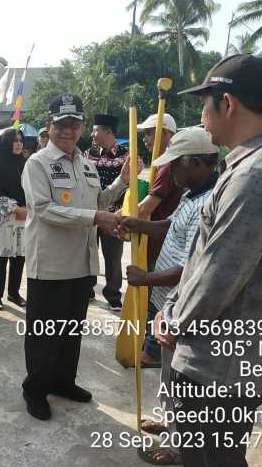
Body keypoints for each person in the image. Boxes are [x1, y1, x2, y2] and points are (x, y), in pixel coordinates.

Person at [154, 54, 262, 467]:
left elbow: (220, 274)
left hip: (220, 369)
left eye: (205, 104)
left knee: (213, 463)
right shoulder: (256, 166)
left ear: (229, 103)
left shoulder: (257, 174)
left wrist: (173, 318)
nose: (203, 116)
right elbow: (208, 258)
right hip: (227, 361)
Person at [20, 92, 136, 420]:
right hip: (51, 265)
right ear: (50, 126)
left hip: (82, 264)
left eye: (74, 124)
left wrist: (121, 186)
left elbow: (97, 205)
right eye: (61, 124)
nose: (68, 130)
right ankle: (35, 389)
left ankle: (62, 382)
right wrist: (96, 218)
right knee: (45, 334)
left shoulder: (86, 165)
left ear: (82, 126)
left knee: (71, 331)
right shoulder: (37, 163)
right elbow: (43, 210)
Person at [117, 127, 219, 466]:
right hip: (166, 305)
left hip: (183, 306)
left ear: (194, 162)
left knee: (180, 378)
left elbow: (192, 265)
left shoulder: (210, 202)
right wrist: (136, 223)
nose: (170, 172)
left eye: (175, 165)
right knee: (167, 374)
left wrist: (146, 278)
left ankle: (179, 444)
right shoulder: (190, 193)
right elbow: (169, 227)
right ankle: (171, 422)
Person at [136, 112, 181, 366]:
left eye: (150, 132)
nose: (145, 138)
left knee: (158, 297)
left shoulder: (167, 164)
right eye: (143, 133)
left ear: (166, 133)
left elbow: (145, 207)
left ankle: (152, 352)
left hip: (164, 241)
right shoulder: (157, 163)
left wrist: (123, 221)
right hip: (156, 238)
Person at [86, 113, 128, 310]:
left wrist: (121, 213)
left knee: (113, 257)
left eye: (96, 130)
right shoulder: (88, 155)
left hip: (114, 216)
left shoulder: (126, 155)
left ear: (108, 131)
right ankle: (88, 289)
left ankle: (113, 294)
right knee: (89, 253)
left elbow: (130, 186)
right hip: (91, 215)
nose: (92, 134)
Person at [0, 128, 27, 310]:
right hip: (3, 218)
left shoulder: (26, 164)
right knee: (0, 258)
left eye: (20, 141)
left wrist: (26, 208)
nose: (18, 144)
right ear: (6, 143)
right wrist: (14, 208)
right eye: (14, 141)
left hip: (23, 216)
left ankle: (14, 293)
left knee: (19, 257)